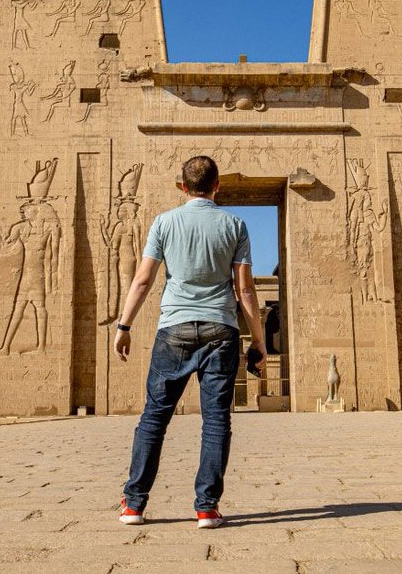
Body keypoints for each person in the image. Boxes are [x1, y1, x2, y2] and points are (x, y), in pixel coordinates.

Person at [114, 155, 267, 529]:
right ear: (217, 187)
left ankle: (134, 504)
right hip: (221, 330)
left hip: (174, 329)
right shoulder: (234, 224)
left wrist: (125, 324)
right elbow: (245, 289)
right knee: (216, 421)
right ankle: (207, 507)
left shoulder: (164, 222)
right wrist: (258, 341)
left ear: (182, 187)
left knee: (154, 418)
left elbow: (143, 280)